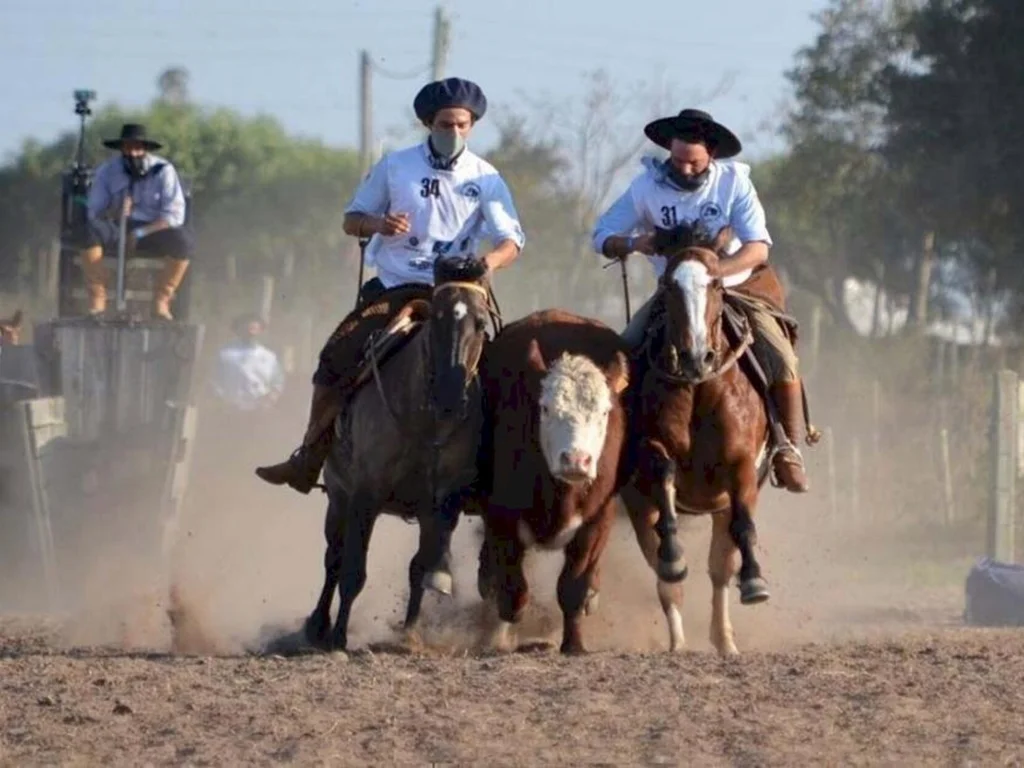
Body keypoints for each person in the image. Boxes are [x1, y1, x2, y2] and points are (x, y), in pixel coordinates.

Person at [255, 76, 526, 494]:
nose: (453, 132)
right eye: (444, 124)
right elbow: (352, 219)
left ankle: (504, 475)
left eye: (461, 125)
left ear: (472, 126)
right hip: (398, 285)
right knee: (337, 354)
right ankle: (309, 454)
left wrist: (486, 262)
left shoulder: (487, 177)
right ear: (427, 124)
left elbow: (512, 241)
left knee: (507, 370)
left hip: (460, 290)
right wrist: (378, 224)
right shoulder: (395, 167)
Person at [591, 108, 810, 493]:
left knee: (781, 355)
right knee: (623, 355)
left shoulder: (734, 183)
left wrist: (714, 274)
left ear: (711, 154)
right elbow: (602, 234)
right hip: (673, 294)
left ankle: (787, 447)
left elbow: (758, 248)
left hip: (733, 288)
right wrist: (634, 243)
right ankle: (616, 451)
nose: (685, 170)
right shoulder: (646, 187)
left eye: (693, 163)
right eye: (678, 161)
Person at [83, 123, 194, 320]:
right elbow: (94, 211)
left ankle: (162, 299)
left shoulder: (164, 171)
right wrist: (116, 211)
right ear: (121, 149)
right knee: (89, 232)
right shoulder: (107, 171)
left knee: (183, 241)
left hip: (152, 230)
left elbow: (175, 215)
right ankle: (98, 298)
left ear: (145, 149)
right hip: (117, 226)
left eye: (137, 147)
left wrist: (141, 233)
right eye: (128, 147)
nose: (133, 153)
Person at [211, 314, 286, 412]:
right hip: (230, 410)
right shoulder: (225, 353)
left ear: (261, 330)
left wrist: (270, 400)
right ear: (238, 329)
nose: (251, 331)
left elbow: (278, 383)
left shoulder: (269, 357)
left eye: (255, 328)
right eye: (247, 327)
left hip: (260, 411)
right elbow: (213, 380)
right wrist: (222, 400)